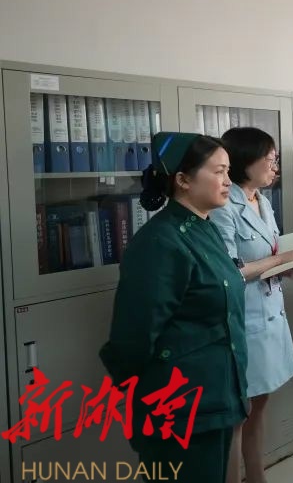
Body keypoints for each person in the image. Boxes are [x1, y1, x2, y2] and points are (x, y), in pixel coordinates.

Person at [99, 132, 247, 483]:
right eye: (219, 172)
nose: (228, 181)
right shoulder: (160, 242)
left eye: (228, 171)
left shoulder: (204, 228)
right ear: (183, 180)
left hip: (215, 396)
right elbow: (132, 338)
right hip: (179, 408)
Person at [210, 128, 293, 483]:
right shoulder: (225, 207)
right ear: (245, 161)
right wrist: (280, 260)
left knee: (259, 408)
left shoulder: (262, 202)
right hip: (245, 322)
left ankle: (257, 477)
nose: (275, 167)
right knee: (239, 414)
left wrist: (291, 267)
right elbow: (229, 271)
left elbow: (269, 257)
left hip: (270, 317)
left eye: (275, 160)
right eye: (269, 160)